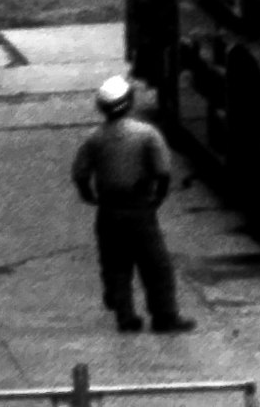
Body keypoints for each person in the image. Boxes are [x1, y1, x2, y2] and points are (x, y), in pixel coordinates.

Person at [71, 76, 188, 333]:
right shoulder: (146, 134)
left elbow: (80, 174)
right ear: (130, 102)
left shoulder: (94, 138)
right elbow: (163, 172)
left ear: (101, 107)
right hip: (139, 208)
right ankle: (164, 316)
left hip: (109, 210)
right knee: (156, 265)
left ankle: (126, 317)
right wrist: (157, 199)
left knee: (116, 265)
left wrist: (89, 196)